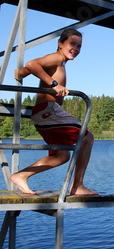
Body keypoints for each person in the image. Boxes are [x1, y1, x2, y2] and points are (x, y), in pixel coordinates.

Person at [10, 28, 98, 196]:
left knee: (61, 156)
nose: (76, 49)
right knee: (88, 137)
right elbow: (32, 64)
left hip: (44, 113)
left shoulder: (57, 61)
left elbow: (31, 67)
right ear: (60, 43)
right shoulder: (57, 58)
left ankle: (21, 175)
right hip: (48, 111)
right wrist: (54, 84)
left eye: (79, 46)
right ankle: (77, 185)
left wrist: (21, 73)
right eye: (72, 44)